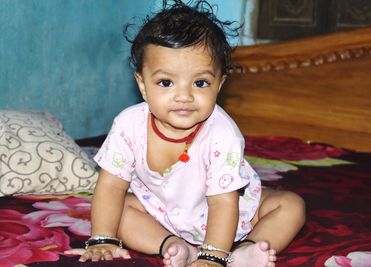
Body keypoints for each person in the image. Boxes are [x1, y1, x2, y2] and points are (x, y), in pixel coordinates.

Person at [65, 1, 305, 266]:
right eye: (166, 82)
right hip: (160, 212)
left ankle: (245, 251)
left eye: (200, 83)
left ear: (219, 84)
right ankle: (173, 246)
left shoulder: (222, 133)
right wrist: (103, 238)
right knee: (116, 208)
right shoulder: (128, 125)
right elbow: (110, 185)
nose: (184, 96)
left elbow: (223, 204)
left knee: (290, 205)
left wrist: (212, 257)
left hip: (231, 213)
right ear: (142, 85)